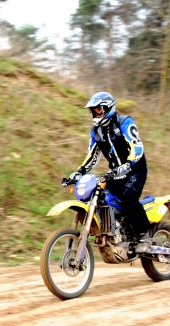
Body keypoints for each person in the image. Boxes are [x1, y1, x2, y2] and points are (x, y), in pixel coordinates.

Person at [67, 91, 151, 251]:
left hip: (135, 171)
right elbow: (92, 156)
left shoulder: (124, 122)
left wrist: (128, 164)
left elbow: (137, 146)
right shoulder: (95, 132)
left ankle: (143, 236)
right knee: (101, 197)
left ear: (108, 108)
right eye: (93, 110)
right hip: (115, 174)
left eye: (98, 109)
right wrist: (79, 172)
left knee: (128, 199)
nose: (96, 113)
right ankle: (117, 231)